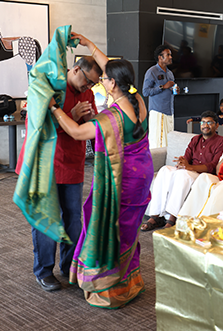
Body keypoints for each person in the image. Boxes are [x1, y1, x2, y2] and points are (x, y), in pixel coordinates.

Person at [48, 33, 154, 308]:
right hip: (143, 174)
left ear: (113, 84)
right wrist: (88, 44)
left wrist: (55, 108)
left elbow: (76, 131)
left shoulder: (111, 118)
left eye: (103, 79)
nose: (100, 82)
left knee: (112, 227)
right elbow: (112, 68)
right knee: (129, 227)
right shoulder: (137, 99)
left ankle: (110, 288)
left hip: (123, 180)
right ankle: (130, 280)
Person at [14, 27, 102, 293]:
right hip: (46, 165)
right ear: (75, 69)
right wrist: (71, 116)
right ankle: (43, 271)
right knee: (46, 218)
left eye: (93, 85)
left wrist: (90, 120)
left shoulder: (87, 93)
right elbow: (37, 128)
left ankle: (68, 266)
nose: (88, 88)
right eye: (87, 81)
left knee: (73, 219)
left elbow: (88, 127)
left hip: (72, 164)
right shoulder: (47, 87)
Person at [142, 111, 223, 231]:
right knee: (165, 170)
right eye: (203, 122)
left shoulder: (222, 142)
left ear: (217, 125)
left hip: (204, 175)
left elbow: (213, 166)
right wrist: (182, 162)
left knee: (183, 175)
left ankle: (172, 218)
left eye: (209, 122)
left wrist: (189, 167)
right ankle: (155, 216)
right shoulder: (195, 139)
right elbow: (187, 158)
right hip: (189, 171)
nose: (205, 125)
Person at [143, 45, 177, 149]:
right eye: (168, 55)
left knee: (169, 142)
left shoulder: (170, 73)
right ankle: (156, 160)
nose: (171, 57)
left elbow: (169, 90)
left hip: (169, 111)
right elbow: (145, 92)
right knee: (158, 143)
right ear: (160, 57)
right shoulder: (152, 71)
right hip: (158, 111)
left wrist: (175, 90)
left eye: (170, 55)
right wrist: (162, 87)